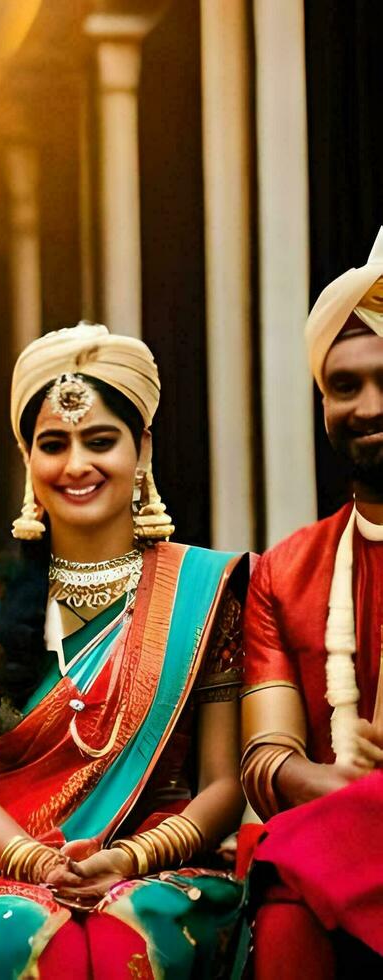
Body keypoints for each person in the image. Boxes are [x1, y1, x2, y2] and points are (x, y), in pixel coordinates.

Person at [0, 324, 248, 980]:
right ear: (29, 459)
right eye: (54, 444)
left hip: (162, 864)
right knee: (40, 941)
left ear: (142, 451)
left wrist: (132, 860)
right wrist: (37, 863)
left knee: (120, 937)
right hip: (15, 868)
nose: (76, 464)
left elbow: (222, 783)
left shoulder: (203, 592)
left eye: (101, 440)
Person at [241, 227, 383, 977]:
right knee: (288, 894)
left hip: (328, 846)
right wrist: (342, 800)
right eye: (344, 386)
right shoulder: (286, 571)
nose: (369, 406)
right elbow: (268, 756)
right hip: (333, 859)